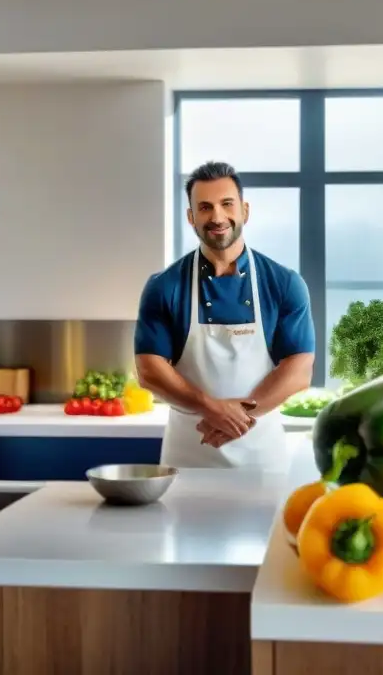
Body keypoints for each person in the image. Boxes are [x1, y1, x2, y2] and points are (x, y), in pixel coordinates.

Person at [134, 161, 316, 472]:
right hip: (187, 457)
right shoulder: (163, 287)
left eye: (226, 204)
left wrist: (235, 417)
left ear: (245, 210)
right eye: (205, 207)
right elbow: (149, 371)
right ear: (191, 217)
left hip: (261, 460)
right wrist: (210, 407)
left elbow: (299, 371)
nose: (217, 217)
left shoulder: (284, 283)